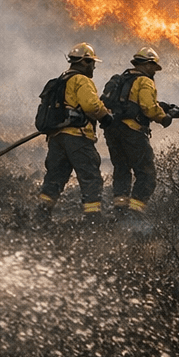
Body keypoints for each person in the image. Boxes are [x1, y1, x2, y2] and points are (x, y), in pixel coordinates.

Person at [102, 46, 179, 219]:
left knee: (122, 170)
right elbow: (148, 108)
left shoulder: (122, 79)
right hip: (132, 132)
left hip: (112, 131)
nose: (155, 71)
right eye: (154, 67)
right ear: (147, 64)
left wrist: (163, 106)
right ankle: (134, 213)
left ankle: (120, 211)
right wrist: (165, 117)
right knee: (146, 173)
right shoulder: (145, 81)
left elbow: (131, 103)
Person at [36, 42, 112, 223]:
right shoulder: (81, 80)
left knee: (55, 178)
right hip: (77, 138)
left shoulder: (61, 80)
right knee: (91, 177)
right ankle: (93, 220)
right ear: (84, 62)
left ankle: (41, 216)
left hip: (57, 138)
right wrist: (105, 116)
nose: (93, 67)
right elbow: (91, 105)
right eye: (92, 63)